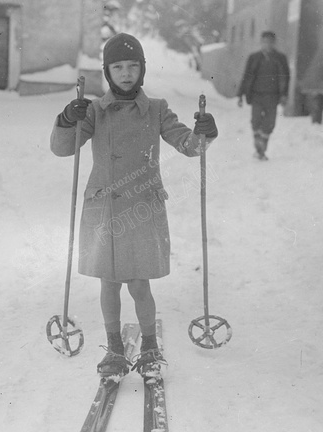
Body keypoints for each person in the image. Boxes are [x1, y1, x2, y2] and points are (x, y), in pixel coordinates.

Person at [50, 33, 218, 378]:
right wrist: (68, 119)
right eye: (118, 67)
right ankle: (113, 349)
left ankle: (150, 347)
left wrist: (204, 133)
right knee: (108, 282)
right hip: (105, 209)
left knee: (140, 283)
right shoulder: (94, 110)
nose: (125, 73)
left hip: (142, 207)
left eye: (132, 66)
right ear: (107, 72)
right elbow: (64, 149)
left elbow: (188, 145)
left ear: (142, 69)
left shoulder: (157, 109)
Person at [237, 31, 290, 160]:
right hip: (256, 95)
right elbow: (247, 76)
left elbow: (286, 78)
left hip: (273, 96)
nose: (267, 45)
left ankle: (262, 146)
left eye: (270, 42)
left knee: (269, 123)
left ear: (274, 43)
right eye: (265, 42)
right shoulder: (254, 57)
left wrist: (284, 95)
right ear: (261, 42)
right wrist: (240, 95)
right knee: (256, 120)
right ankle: (258, 146)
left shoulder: (280, 58)